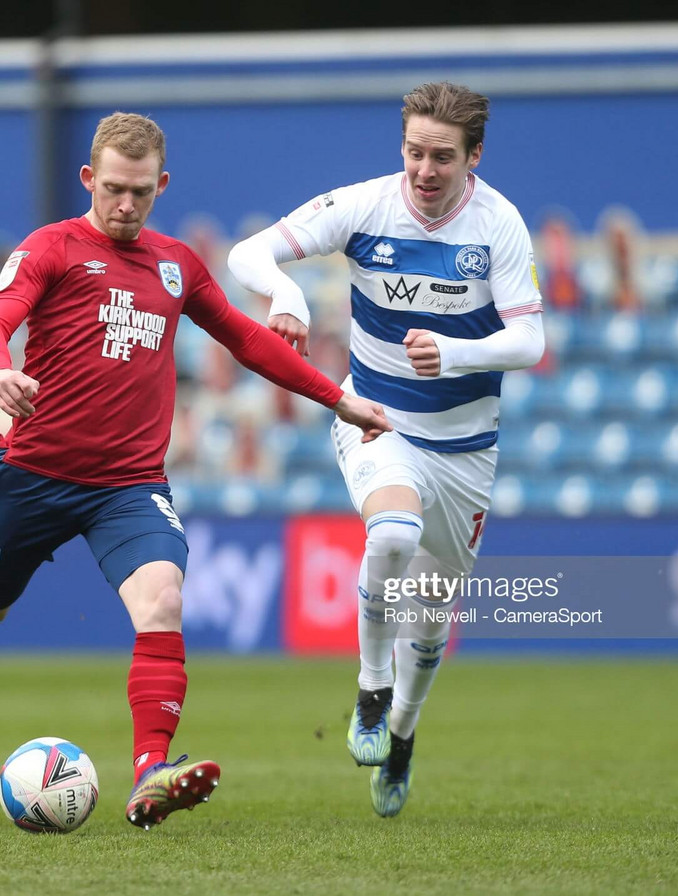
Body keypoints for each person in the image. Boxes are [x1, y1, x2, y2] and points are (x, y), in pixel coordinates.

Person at [0, 112, 390, 831]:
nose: (125, 205)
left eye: (140, 191)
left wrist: (341, 400)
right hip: (34, 473)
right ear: (88, 181)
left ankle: (150, 772)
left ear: (161, 184)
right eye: (112, 189)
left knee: (163, 601)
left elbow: (247, 341)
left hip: (128, 486)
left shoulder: (177, 264)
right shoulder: (50, 248)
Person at [228, 82, 545, 818]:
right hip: (378, 417)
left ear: (474, 157)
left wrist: (458, 353)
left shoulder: (499, 225)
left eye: (442, 157)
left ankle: (401, 733)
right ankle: (370, 690)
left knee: (430, 625)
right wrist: (287, 295)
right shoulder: (366, 204)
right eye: (413, 153)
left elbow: (531, 339)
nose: (425, 171)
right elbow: (250, 253)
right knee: (393, 532)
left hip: (466, 447)